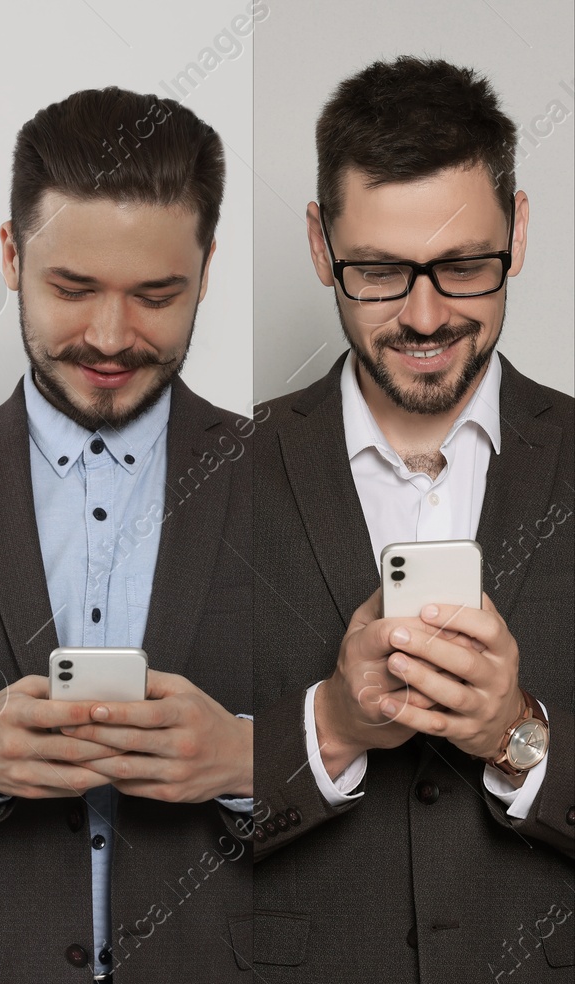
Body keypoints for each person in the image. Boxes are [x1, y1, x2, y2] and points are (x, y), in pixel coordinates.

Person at [252, 56, 574, 982]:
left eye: (465, 265)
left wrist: (518, 734)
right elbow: (145, 824)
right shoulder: (210, 474)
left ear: (517, 232)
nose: (426, 317)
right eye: (382, 273)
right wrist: (332, 727)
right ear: (321, 244)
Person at [0, 87, 253, 983]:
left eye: (157, 295)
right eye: (73, 289)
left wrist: (245, 759)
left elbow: (382, 772)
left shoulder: (290, 474)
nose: (110, 338)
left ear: (207, 268)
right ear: (9, 254)